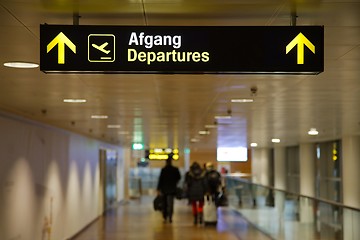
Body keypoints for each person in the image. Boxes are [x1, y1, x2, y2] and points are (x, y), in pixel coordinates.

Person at [157, 155, 181, 223]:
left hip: (164, 189)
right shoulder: (175, 169)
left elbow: (160, 180)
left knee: (164, 203)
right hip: (172, 189)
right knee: (171, 203)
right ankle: (170, 216)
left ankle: (165, 216)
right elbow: (179, 177)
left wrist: (158, 189)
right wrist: (175, 183)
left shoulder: (164, 170)